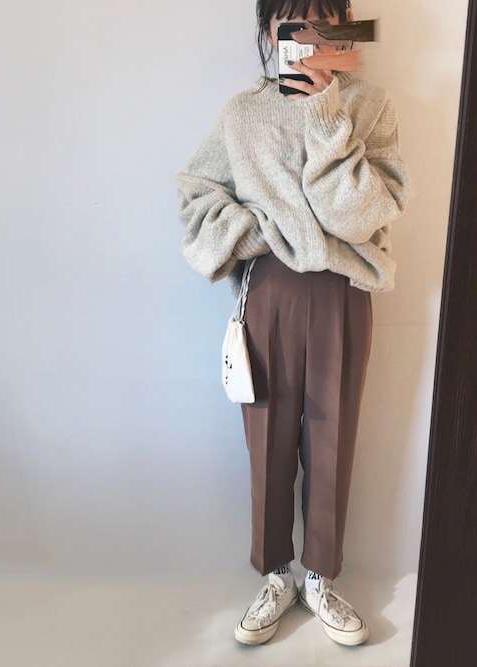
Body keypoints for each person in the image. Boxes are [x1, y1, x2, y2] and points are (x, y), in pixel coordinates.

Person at [176, 0, 409, 649]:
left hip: (342, 288)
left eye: (324, 21)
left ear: (344, 24)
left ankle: (320, 577)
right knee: (268, 437)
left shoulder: (370, 105)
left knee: (334, 437)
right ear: (267, 30)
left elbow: (359, 215)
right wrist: (258, 232)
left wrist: (326, 111)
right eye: (293, 23)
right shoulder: (242, 113)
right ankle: (276, 573)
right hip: (269, 289)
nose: (309, 36)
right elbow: (195, 195)